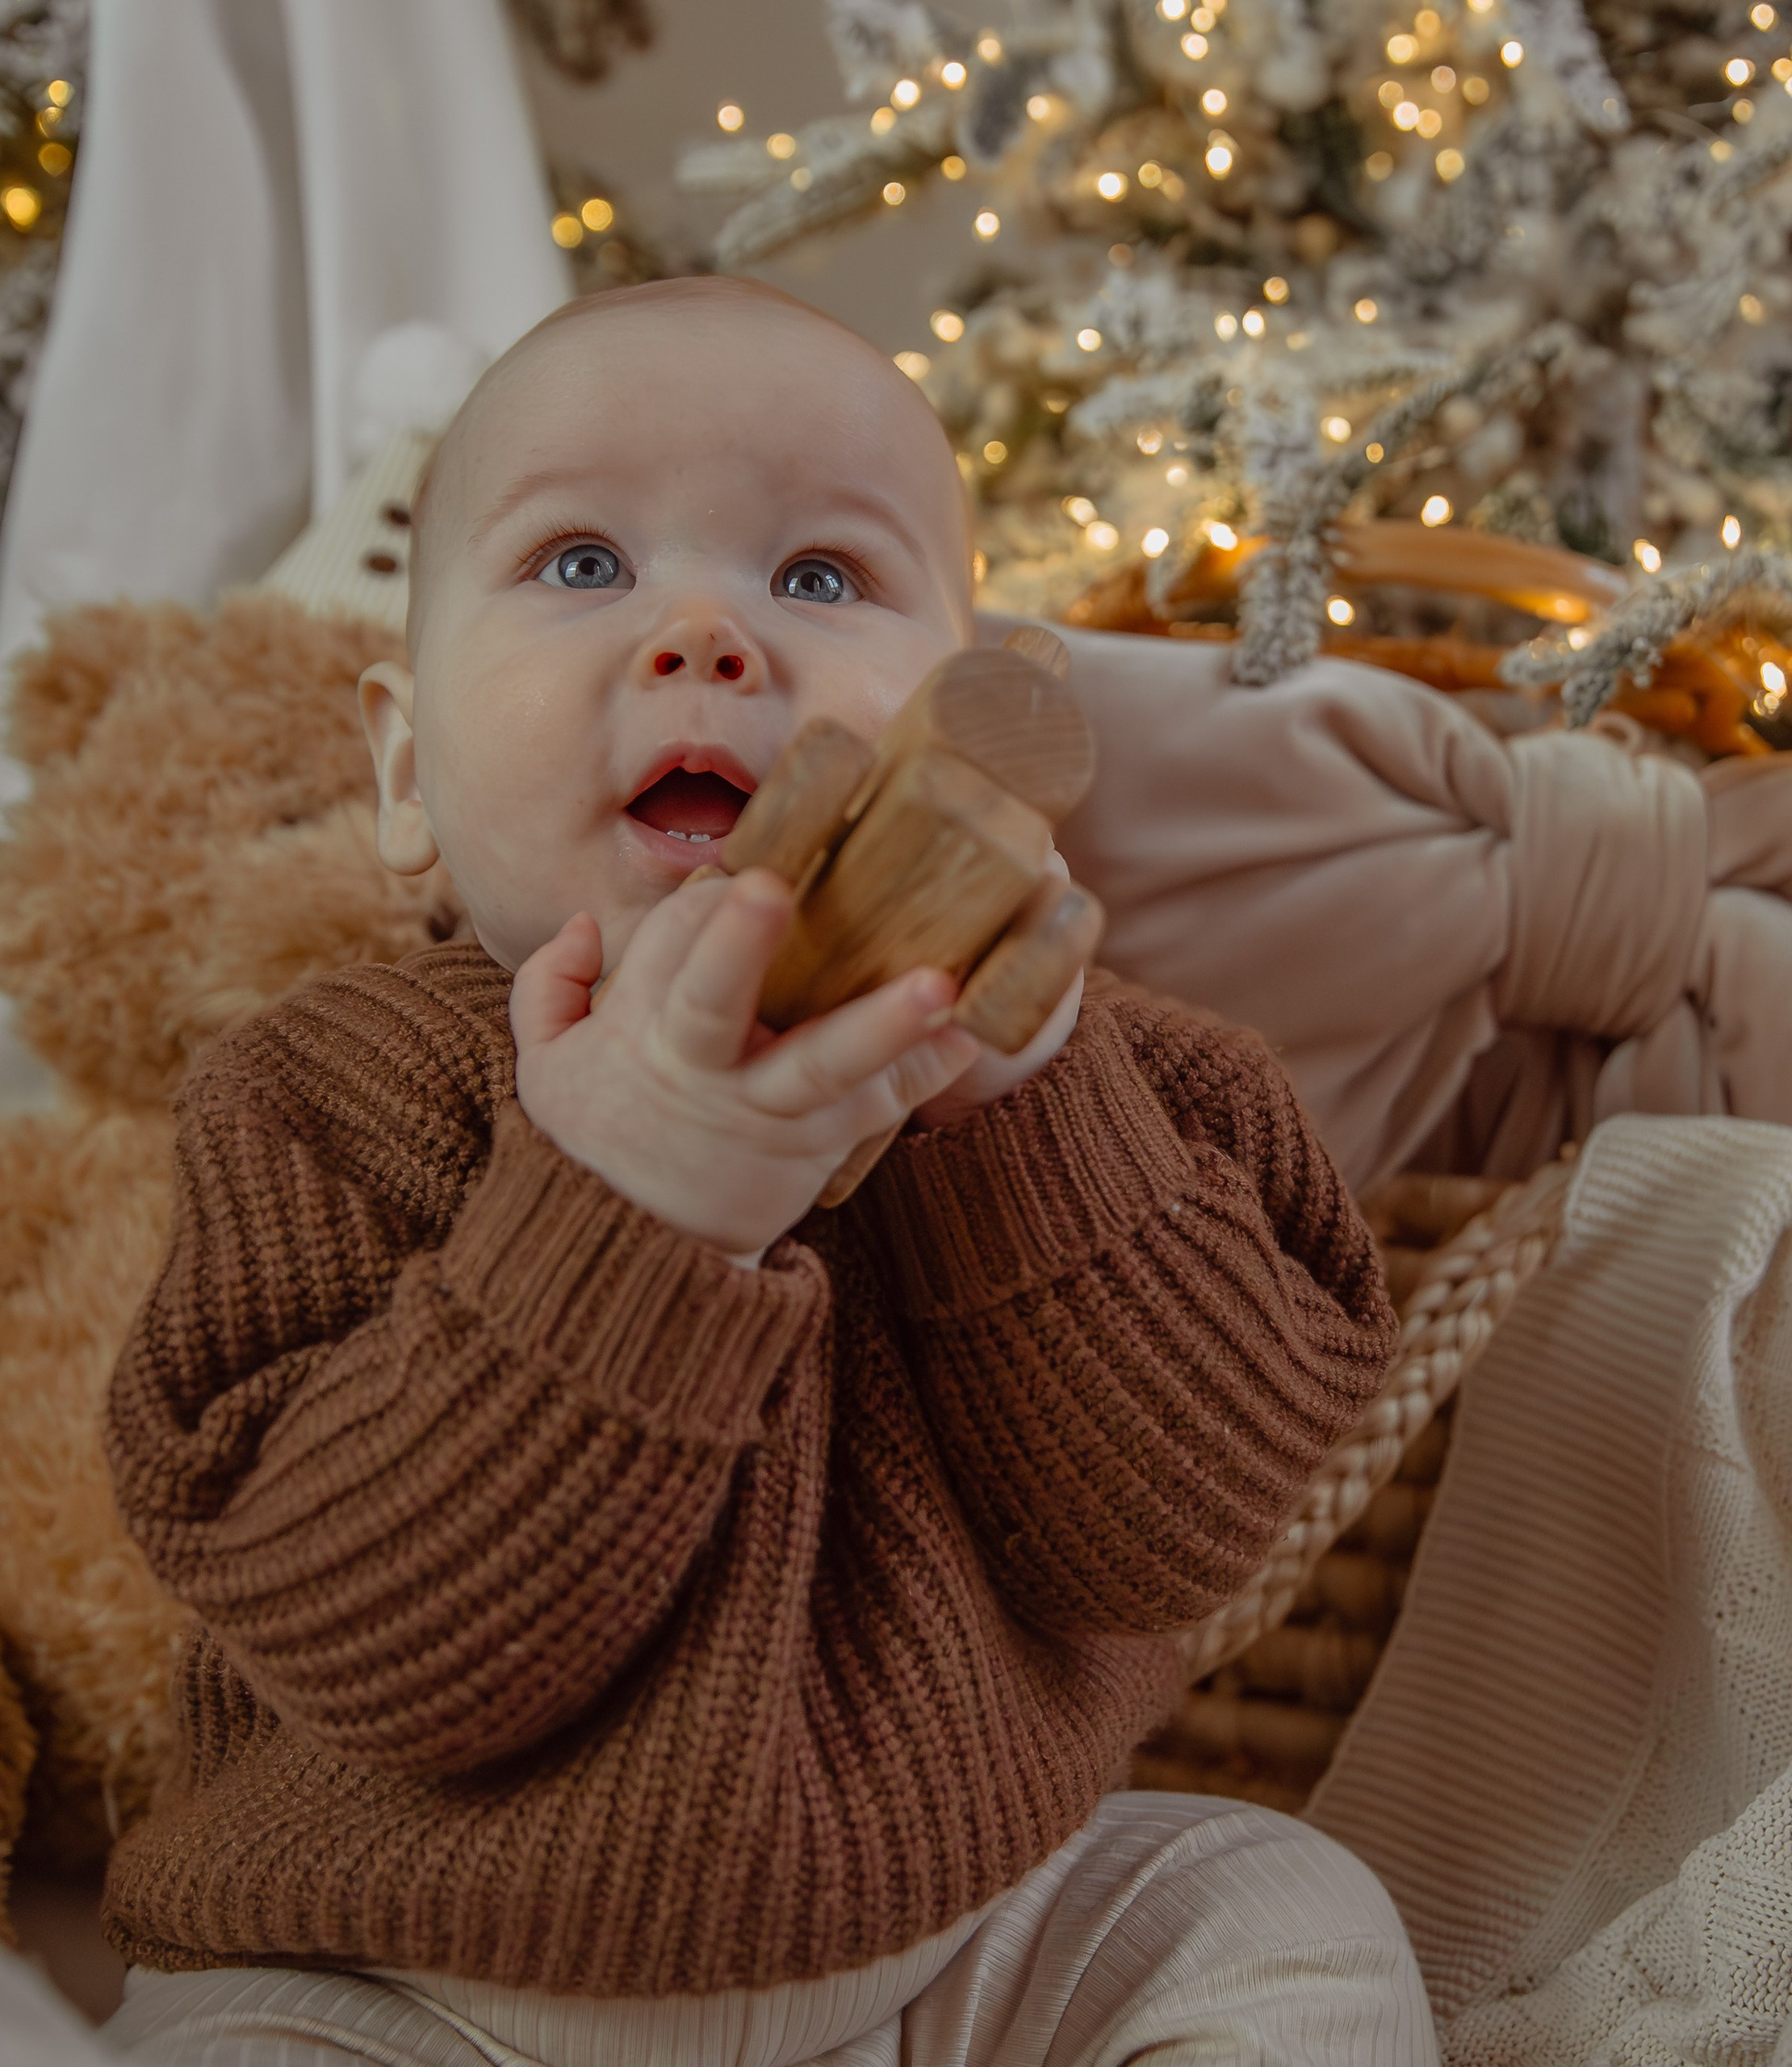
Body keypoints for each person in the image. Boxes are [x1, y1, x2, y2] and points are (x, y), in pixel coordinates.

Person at [96, 279, 1438, 2067]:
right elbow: (379, 1655)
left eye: (818, 578)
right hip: (399, 1976)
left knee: (1274, 1908)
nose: (706, 636)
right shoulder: (321, 1097)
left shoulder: (1129, 1082)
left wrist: (1022, 1115)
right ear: (407, 771)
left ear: (983, 731)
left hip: (961, 1943)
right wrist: (632, 1200)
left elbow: (1173, 1535)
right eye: (583, 563)